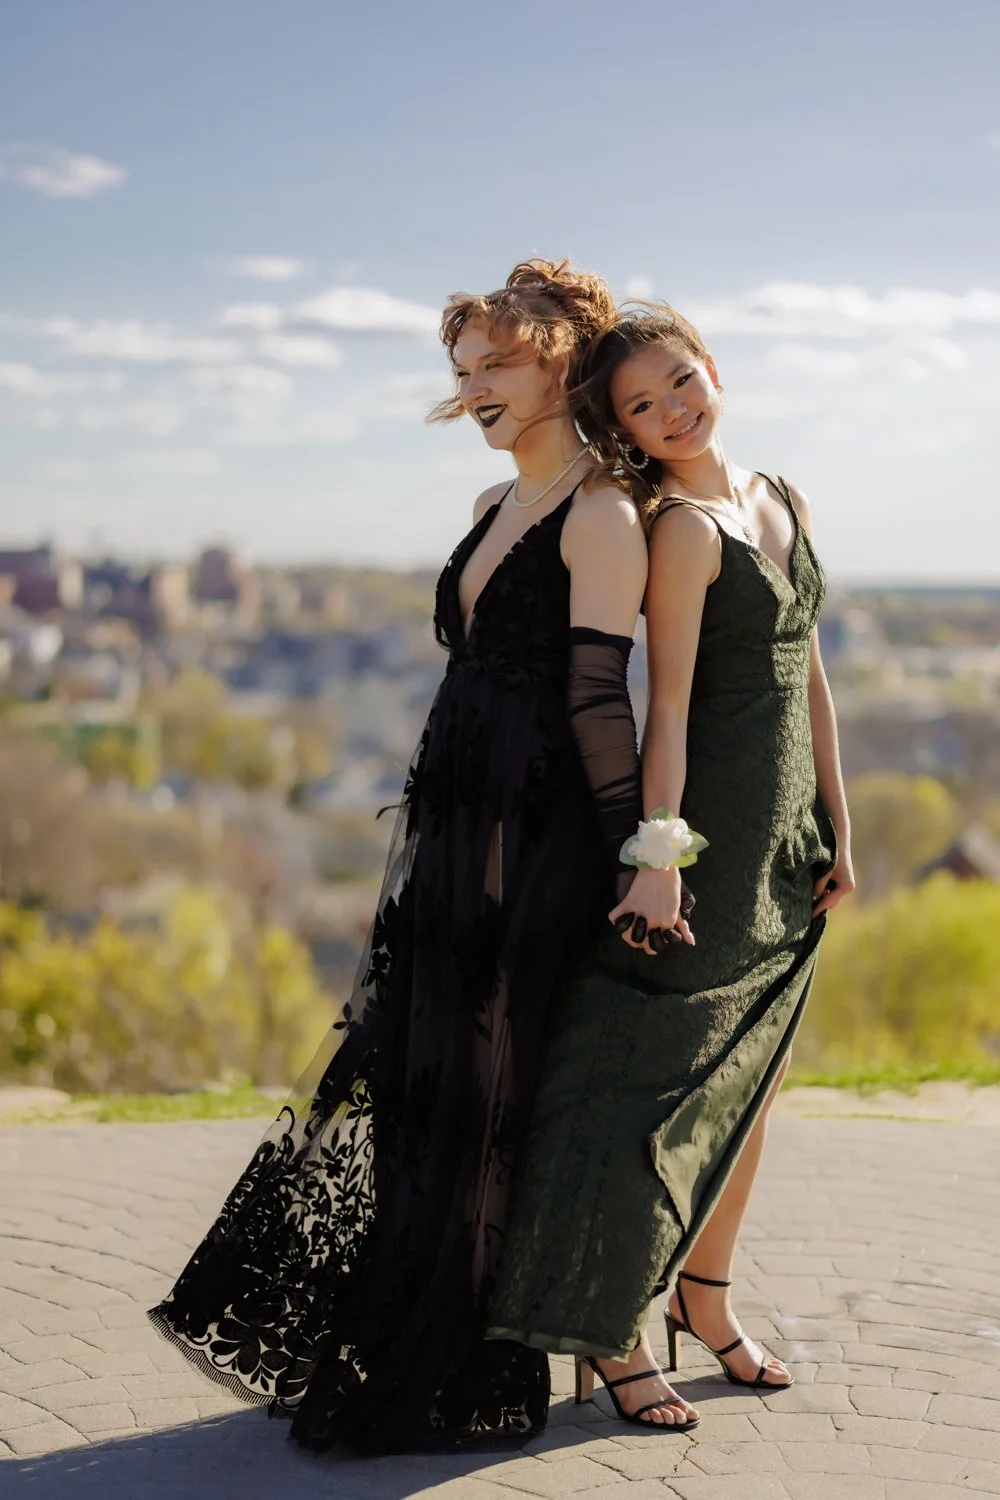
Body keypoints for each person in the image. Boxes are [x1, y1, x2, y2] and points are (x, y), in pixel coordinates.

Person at [147, 260, 660, 1454]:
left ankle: (465, 1371)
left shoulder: (599, 513)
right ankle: (395, 1339)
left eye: (500, 364)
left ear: (564, 362)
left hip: (534, 842)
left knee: (485, 1092)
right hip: (452, 826)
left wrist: (644, 853)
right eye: (463, 368)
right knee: (419, 1080)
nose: (476, 387)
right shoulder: (494, 512)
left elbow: (597, 702)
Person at [488, 303, 854, 1427]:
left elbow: (809, 677)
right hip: (718, 836)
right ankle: (601, 1330)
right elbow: (671, 710)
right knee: (656, 1080)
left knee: (753, 1086)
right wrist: (657, 856)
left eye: (680, 383)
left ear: (714, 370)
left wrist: (842, 825)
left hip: (790, 837)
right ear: (629, 434)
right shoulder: (681, 532)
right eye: (642, 408)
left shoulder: (780, 498)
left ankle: (704, 1294)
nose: (671, 412)